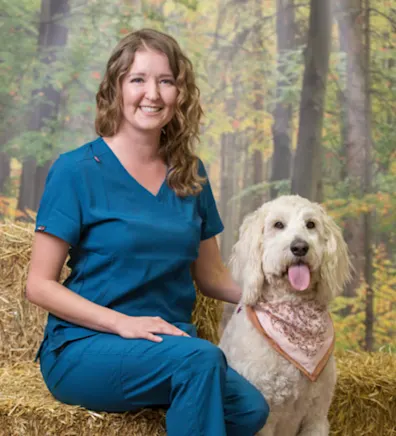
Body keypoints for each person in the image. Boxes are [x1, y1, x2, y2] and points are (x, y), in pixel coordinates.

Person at [26, 28, 269, 436]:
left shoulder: (191, 174)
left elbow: (211, 276)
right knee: (201, 361)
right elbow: (38, 285)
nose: (152, 93)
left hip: (167, 348)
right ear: (116, 89)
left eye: (166, 80)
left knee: (249, 410)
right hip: (85, 347)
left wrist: (272, 299)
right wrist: (123, 323)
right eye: (138, 79)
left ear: (180, 92)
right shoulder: (76, 170)